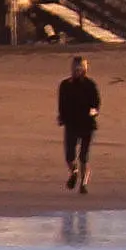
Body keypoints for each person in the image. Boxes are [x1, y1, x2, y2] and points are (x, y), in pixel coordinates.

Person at [56, 54, 101, 194]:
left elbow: (96, 104)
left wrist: (94, 111)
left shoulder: (90, 85)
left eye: (80, 67)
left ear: (85, 68)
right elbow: (61, 105)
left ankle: (84, 184)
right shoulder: (65, 85)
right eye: (75, 67)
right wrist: (61, 117)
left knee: (84, 156)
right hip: (71, 124)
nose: (77, 70)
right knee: (69, 155)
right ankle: (74, 172)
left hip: (87, 125)